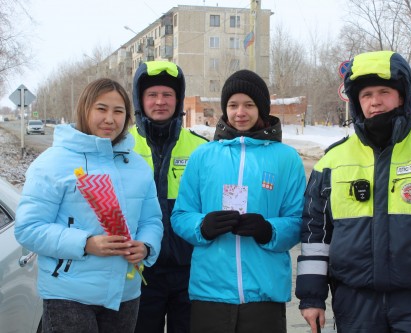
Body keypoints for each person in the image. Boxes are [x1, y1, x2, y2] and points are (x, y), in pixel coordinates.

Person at [295, 50, 411, 333]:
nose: (375, 101)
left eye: (384, 91)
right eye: (366, 94)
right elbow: (315, 233)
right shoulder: (332, 161)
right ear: (357, 101)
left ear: (402, 96)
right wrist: (312, 297)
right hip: (355, 304)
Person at [15, 78, 163, 333]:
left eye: (118, 111)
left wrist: (147, 247)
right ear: (85, 110)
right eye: (101, 109)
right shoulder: (52, 162)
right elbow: (28, 228)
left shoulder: (137, 165)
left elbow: (152, 221)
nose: (110, 119)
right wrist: (85, 243)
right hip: (69, 295)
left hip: (125, 295)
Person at [171, 69, 306, 333]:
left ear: (262, 109)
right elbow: (181, 215)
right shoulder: (203, 156)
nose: (240, 112)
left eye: (249, 105)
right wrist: (202, 226)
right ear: (225, 109)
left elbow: (298, 219)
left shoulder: (286, 158)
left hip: (264, 294)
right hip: (210, 293)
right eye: (233, 105)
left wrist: (270, 230)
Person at [130, 61, 208, 333]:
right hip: (137, 273)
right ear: (140, 100)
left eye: (167, 95)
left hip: (189, 272)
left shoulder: (201, 148)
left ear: (178, 100)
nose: (160, 101)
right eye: (152, 95)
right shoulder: (121, 146)